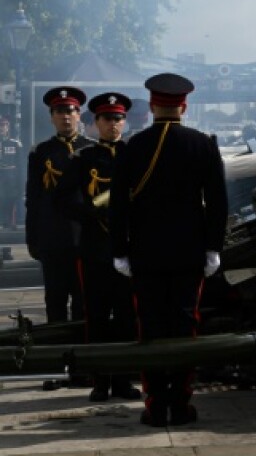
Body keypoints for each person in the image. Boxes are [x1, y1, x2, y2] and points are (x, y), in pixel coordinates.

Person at [109, 73, 227, 427]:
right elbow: (218, 203)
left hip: (145, 255)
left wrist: (120, 251)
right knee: (185, 326)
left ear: (152, 106)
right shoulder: (203, 144)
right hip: (189, 254)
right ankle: (180, 403)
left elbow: (118, 206)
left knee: (151, 327)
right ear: (184, 106)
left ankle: (155, 405)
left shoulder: (132, 146)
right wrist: (213, 248)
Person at [57, 93, 141, 402]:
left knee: (126, 318)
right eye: (107, 119)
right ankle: (100, 381)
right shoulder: (83, 158)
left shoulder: (134, 155)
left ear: (124, 122)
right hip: (94, 248)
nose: (113, 124)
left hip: (128, 249)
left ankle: (122, 380)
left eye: (118, 118)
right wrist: (92, 210)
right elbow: (64, 200)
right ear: (96, 123)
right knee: (95, 317)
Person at [26, 86, 92, 390]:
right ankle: (56, 366)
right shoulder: (41, 153)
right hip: (53, 238)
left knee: (83, 305)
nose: (67, 116)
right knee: (55, 303)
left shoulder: (92, 150)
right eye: (60, 112)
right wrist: (33, 238)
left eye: (72, 111)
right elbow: (34, 198)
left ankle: (83, 367)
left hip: (84, 239)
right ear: (52, 117)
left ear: (79, 115)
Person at [0, 116, 21, 229]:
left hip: (10, 177)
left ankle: (10, 222)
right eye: (0, 125)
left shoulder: (15, 143)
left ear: (8, 127)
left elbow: (20, 163)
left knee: (10, 199)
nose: (1, 128)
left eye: (4, 125)